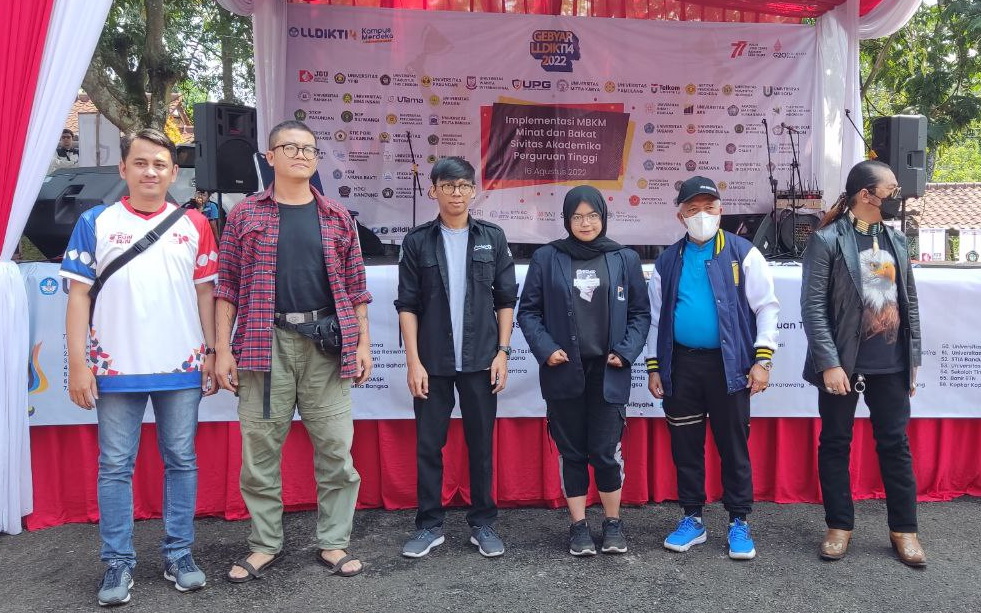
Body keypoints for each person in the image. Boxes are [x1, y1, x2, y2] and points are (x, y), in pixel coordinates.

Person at [60, 128, 218, 605]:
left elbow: (206, 294)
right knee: (114, 466)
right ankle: (117, 562)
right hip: (115, 367)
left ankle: (179, 553)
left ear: (173, 172)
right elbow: (78, 296)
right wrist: (78, 364)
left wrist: (213, 351)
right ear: (123, 168)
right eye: (141, 163)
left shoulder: (195, 224)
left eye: (160, 164)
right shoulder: (95, 221)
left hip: (181, 365)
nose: (151, 172)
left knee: (182, 460)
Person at [216, 119, 372, 583]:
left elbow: (357, 288)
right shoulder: (245, 215)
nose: (301, 155)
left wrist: (363, 343)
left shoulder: (337, 216)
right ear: (270, 157)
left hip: (327, 345)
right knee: (260, 451)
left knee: (336, 450)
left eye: (309, 149)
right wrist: (222, 349)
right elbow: (227, 286)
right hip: (264, 344)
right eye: (290, 147)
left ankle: (334, 541)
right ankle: (264, 543)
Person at [645, 176, 779, 561]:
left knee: (733, 446)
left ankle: (739, 521)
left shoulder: (743, 253)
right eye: (693, 209)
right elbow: (656, 319)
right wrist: (654, 368)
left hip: (729, 366)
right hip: (682, 365)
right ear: (680, 216)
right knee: (686, 446)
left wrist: (763, 359)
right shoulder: (668, 260)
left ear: (721, 211)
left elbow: (767, 308)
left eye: (709, 207)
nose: (701, 215)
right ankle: (692, 518)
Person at [800, 159, 924, 567]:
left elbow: (909, 303)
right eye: (891, 189)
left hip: (891, 363)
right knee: (836, 442)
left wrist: (912, 359)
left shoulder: (896, 239)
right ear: (866, 195)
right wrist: (829, 363)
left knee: (895, 444)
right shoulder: (828, 240)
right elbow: (813, 307)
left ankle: (904, 530)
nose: (897, 195)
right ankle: (839, 526)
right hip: (844, 363)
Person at [517, 185, 650, 556]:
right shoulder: (547, 257)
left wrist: (626, 351)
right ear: (566, 219)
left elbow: (640, 313)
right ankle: (578, 527)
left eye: (592, 215)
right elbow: (529, 312)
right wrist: (546, 349)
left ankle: (612, 523)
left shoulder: (624, 258)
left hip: (609, 371)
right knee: (572, 452)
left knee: (606, 451)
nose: (585, 223)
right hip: (564, 370)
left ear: (603, 217)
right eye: (577, 216)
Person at [395, 157, 517, 558]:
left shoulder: (492, 238)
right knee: (429, 445)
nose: (456, 193)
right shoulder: (417, 241)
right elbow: (407, 305)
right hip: (433, 362)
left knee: (481, 444)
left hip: (482, 360)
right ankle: (429, 525)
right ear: (434, 190)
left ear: (474, 191)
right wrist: (413, 362)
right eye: (448, 186)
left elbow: (505, 300)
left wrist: (502, 353)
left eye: (464, 186)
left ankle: (483, 523)